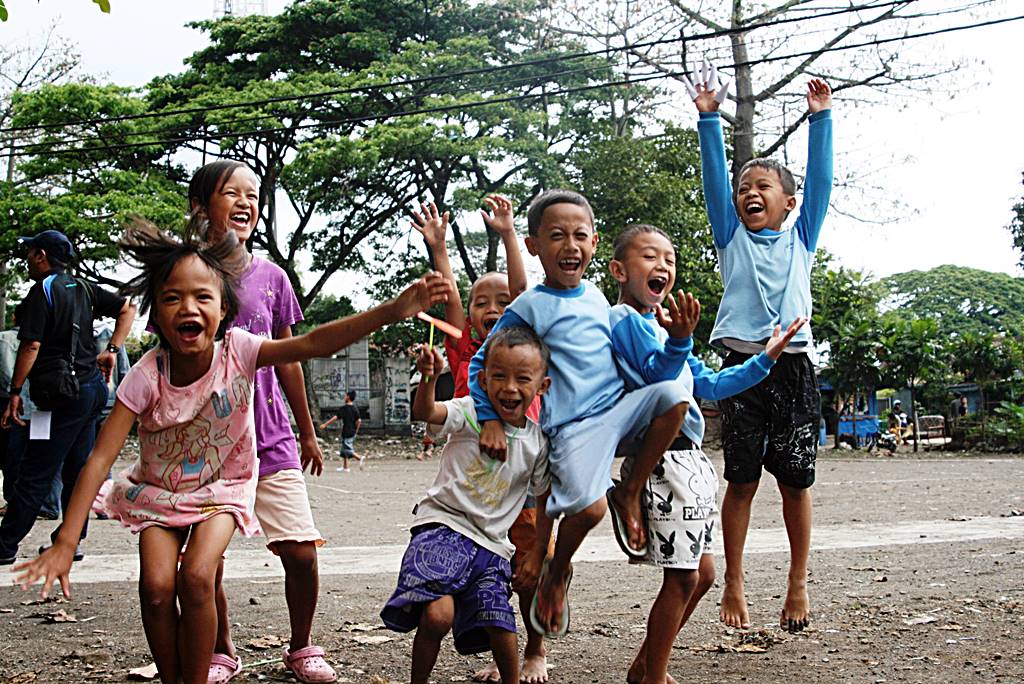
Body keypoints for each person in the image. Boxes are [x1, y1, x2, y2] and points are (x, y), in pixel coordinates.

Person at [13, 220, 451, 684]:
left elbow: (312, 342)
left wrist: (391, 310)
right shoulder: (145, 374)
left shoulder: (240, 351)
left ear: (224, 310)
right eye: (172, 297)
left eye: (203, 297)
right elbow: (99, 459)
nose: (189, 307)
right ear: (156, 315)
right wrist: (65, 539)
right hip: (158, 493)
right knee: (157, 587)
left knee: (198, 577)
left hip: (221, 489)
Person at [467, 189, 691, 638]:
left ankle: (630, 487)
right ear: (533, 246)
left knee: (673, 396)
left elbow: (639, 363)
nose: (570, 245)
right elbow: (481, 364)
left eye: (580, 236)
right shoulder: (529, 306)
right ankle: (558, 570)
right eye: (556, 236)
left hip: (618, 411)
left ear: (593, 243)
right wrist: (489, 416)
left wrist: (677, 340)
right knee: (588, 512)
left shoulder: (598, 299)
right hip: (573, 428)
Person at [606, 224, 804, 684]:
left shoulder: (660, 323)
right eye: (650, 257)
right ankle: (652, 676)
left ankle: (644, 666)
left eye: (670, 260)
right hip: (664, 459)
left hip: (690, 460)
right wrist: (678, 341)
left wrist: (765, 359)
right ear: (619, 270)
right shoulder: (625, 321)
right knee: (682, 579)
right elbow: (657, 376)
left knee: (705, 575)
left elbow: (709, 384)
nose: (663, 267)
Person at [692, 68, 833, 632]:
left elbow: (822, 184)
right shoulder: (731, 237)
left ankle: (797, 582)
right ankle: (734, 581)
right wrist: (708, 115)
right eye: (745, 187)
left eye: (763, 187)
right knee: (742, 480)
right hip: (742, 368)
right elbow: (713, 182)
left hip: (794, 365)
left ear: (789, 202)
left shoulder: (802, 237)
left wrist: (820, 118)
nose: (751, 193)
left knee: (795, 480)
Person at [187, 159, 337, 683]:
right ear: (201, 208)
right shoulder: (185, 273)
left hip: (269, 436)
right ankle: (222, 648)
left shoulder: (272, 276)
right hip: (205, 444)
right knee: (207, 561)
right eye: (232, 193)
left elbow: (291, 356)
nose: (246, 203)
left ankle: (302, 646)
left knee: (300, 551)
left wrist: (308, 430)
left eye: (253, 195)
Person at [411, 197, 551, 683]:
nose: (493, 308)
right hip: (473, 489)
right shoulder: (462, 345)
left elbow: (519, 287)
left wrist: (510, 232)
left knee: (531, 569)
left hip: (519, 479)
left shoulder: (521, 339)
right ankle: (495, 639)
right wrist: (438, 247)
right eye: (480, 303)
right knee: (482, 573)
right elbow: (449, 293)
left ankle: (535, 649)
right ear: (469, 315)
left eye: (502, 303)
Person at [381, 326, 552, 684]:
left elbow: (544, 499)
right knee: (438, 616)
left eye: (523, 379)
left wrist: (538, 551)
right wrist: (428, 378)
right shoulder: (470, 411)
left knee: (499, 619)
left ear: (542, 387)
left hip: (492, 546)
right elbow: (425, 411)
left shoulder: (538, 442)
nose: (509, 387)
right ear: (483, 379)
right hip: (442, 526)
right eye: (499, 376)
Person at [0, 230, 136, 566]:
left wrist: (15, 392)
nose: (27, 259)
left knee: (36, 470)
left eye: (30, 252)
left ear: (41, 255)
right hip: (90, 391)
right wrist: (112, 351)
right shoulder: (84, 288)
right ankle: (71, 539)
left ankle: (4, 545)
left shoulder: (41, 292)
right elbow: (127, 309)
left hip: (58, 395)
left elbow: (30, 346)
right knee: (78, 469)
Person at [337, 390, 362, 472]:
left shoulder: (344, 409)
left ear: (348, 397)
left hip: (347, 431)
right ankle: (345, 467)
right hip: (350, 431)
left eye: (345, 396)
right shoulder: (355, 409)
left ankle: (359, 458)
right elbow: (359, 421)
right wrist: (356, 430)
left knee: (347, 449)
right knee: (344, 448)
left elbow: (335, 417)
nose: (344, 397)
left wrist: (325, 424)